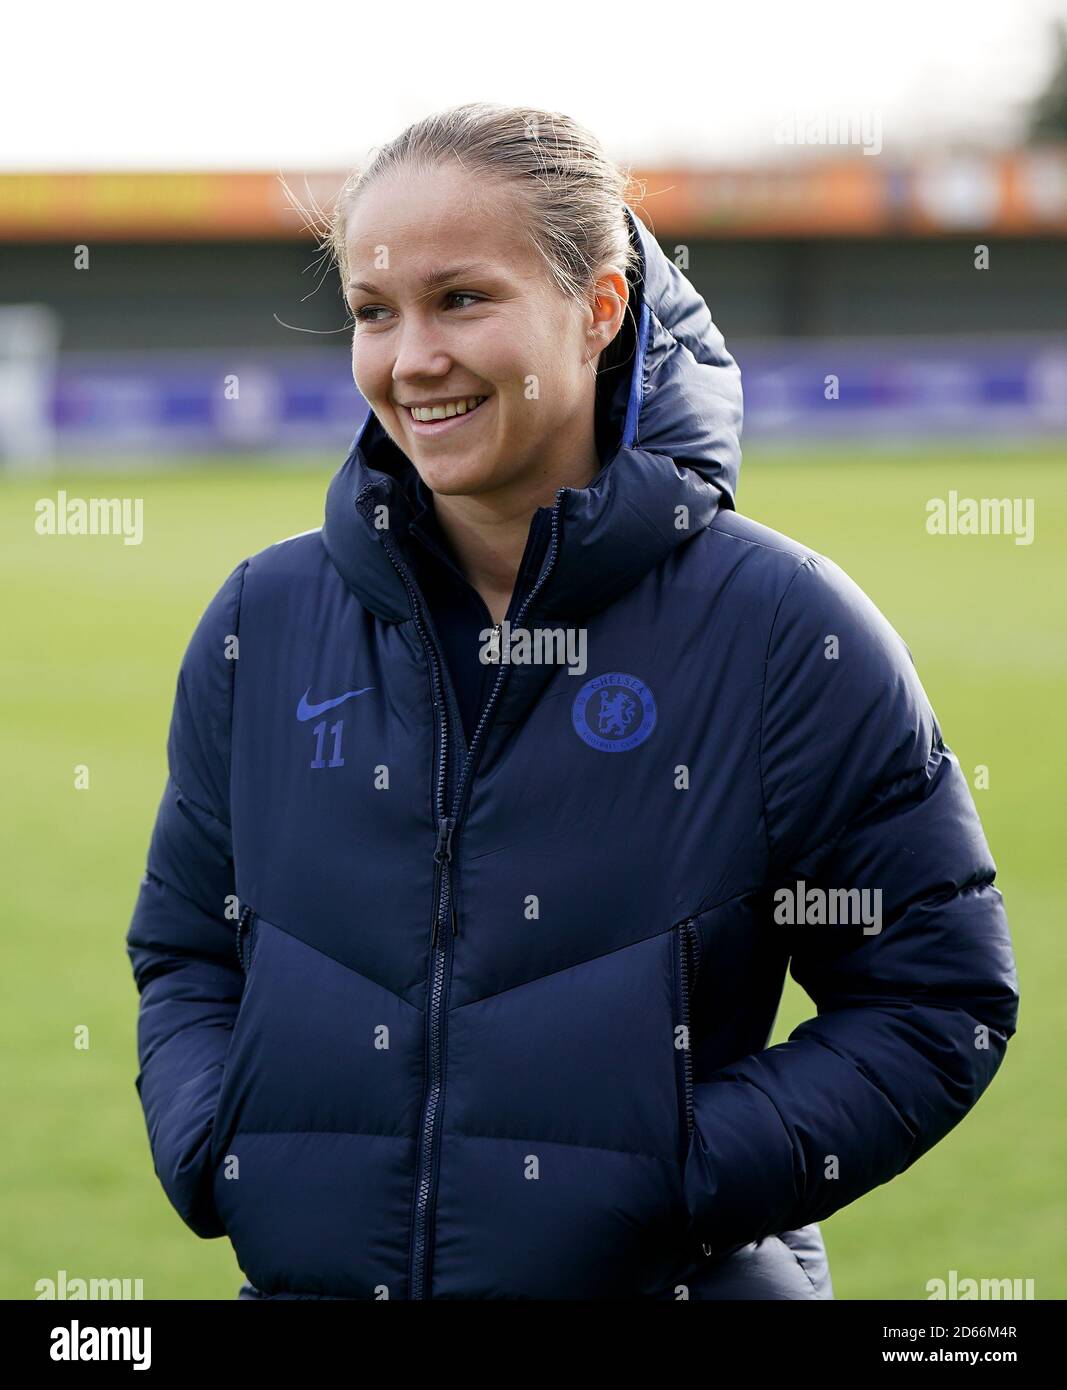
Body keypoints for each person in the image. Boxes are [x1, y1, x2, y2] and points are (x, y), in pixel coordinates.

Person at [126, 101, 1019, 1301]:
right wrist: (221, 1149)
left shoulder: (778, 627)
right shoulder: (262, 620)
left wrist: (671, 1173)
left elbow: (931, 997)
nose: (410, 359)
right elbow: (187, 951)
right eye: (373, 313)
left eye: (461, 299)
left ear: (599, 309)